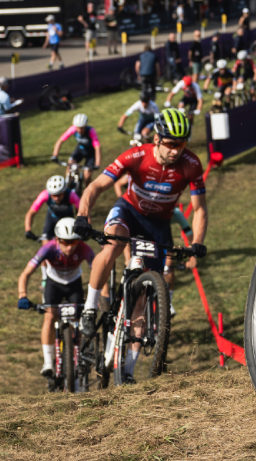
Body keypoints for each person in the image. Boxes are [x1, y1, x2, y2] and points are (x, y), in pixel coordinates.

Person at [75, 109, 209, 375]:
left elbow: (200, 209)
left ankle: (127, 370)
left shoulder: (191, 164)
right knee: (113, 245)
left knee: (144, 300)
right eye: (171, 144)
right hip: (128, 211)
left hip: (158, 225)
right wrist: (82, 216)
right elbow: (95, 187)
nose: (176, 151)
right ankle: (89, 309)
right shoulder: (136, 156)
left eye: (181, 145)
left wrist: (197, 242)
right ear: (157, 139)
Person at [16, 217, 95, 383]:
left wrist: (102, 296)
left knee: (81, 319)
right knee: (50, 317)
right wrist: (22, 294)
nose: (69, 247)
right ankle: (48, 362)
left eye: (73, 242)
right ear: (57, 239)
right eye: (65, 242)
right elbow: (25, 274)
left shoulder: (85, 249)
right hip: (54, 284)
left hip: (74, 284)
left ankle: (79, 354)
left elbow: (97, 271)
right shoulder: (48, 249)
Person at [25, 176, 82, 241]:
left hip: (67, 219)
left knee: (68, 243)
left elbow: (84, 211)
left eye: (59, 195)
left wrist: (86, 227)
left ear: (64, 192)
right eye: (54, 195)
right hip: (51, 218)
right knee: (45, 241)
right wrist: (28, 230)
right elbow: (31, 213)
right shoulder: (44, 195)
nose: (56, 198)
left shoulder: (71, 195)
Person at [52, 113, 101, 186]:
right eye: (78, 127)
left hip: (91, 153)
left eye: (82, 128)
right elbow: (60, 141)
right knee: (70, 166)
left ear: (85, 126)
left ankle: (89, 191)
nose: (79, 130)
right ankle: (68, 184)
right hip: (80, 149)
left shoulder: (91, 131)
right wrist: (55, 155)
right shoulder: (73, 129)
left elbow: (97, 147)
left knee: (86, 175)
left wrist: (97, 163)